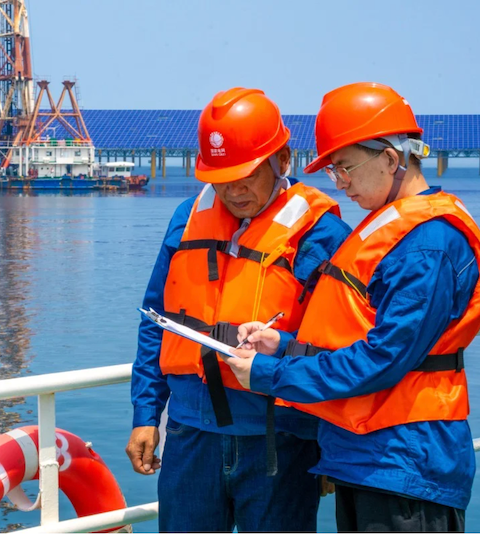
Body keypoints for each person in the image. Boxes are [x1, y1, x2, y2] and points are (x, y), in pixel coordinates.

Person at [224, 82, 480, 532]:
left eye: (345, 167)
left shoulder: (427, 247)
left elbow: (383, 358)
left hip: (406, 463)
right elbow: (358, 335)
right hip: (365, 455)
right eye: (333, 172)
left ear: (390, 158)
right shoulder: (393, 229)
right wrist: (284, 346)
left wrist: (271, 374)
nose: (340, 182)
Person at [126, 87, 351, 532]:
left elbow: (340, 347)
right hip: (190, 436)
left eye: (246, 174)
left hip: (279, 442)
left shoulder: (322, 233)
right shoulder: (186, 218)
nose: (233, 189)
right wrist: (146, 415)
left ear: (282, 160)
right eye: (221, 177)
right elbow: (156, 320)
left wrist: (332, 443)